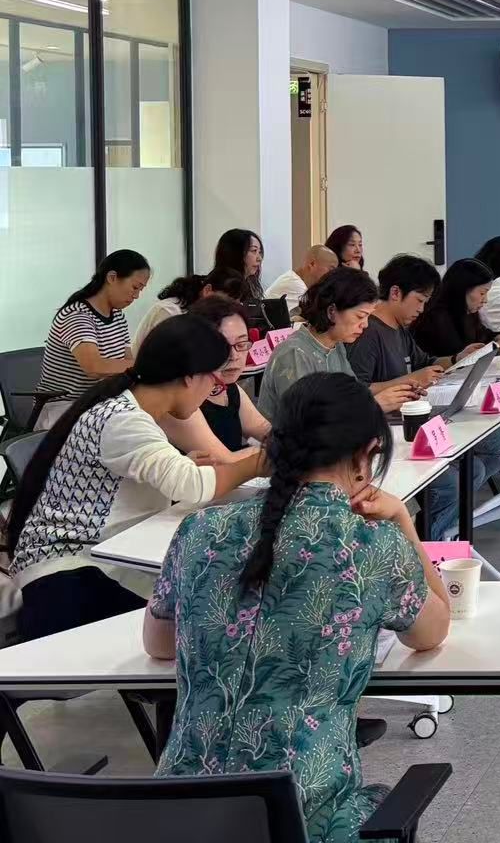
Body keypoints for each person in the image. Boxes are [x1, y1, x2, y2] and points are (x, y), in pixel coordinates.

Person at [145, 373, 451, 841]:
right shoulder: (372, 543)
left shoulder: (199, 529)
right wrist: (402, 520)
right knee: (380, 802)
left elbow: (158, 644)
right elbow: (433, 631)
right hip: (305, 817)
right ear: (367, 453)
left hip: (179, 816)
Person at [5, 315, 266, 641]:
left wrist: (183, 463)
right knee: (200, 620)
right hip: (68, 575)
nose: (211, 393)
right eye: (212, 382)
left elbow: (146, 476)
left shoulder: (133, 409)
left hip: (100, 560)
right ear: (189, 377)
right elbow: (193, 485)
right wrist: (260, 463)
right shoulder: (123, 419)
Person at [348, 255, 500, 542]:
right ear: (396, 293)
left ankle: (437, 534)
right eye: (419, 300)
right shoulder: (368, 334)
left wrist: (457, 358)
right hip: (387, 431)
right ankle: (423, 545)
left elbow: (426, 363)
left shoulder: (399, 330)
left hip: (412, 421)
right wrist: (409, 380)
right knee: (454, 481)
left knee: (475, 468)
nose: (421, 309)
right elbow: (357, 390)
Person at [413, 258, 500, 464]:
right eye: (482, 293)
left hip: (465, 392)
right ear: (463, 289)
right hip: (441, 396)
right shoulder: (436, 318)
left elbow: (484, 337)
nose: (485, 301)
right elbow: (456, 356)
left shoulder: (468, 313)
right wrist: (497, 347)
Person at [258, 268, 407, 417]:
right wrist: (372, 405)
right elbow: (306, 422)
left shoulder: (336, 346)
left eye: (368, 317)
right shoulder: (294, 353)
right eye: (360, 316)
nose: (365, 325)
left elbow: (352, 395)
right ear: (331, 311)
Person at [39, 249, 151, 401]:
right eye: (135, 287)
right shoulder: (77, 315)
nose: (137, 296)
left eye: (141, 290)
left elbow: (127, 363)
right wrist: (146, 366)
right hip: (67, 405)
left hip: (102, 401)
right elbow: (94, 367)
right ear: (112, 278)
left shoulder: (117, 316)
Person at [178, 294, 274, 458]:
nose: (234, 356)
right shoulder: (182, 397)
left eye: (241, 344)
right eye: (222, 345)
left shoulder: (228, 387)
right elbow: (223, 460)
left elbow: (263, 429)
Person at [263, 244, 339, 317]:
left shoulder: (294, 279)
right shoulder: (295, 286)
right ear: (312, 264)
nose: (332, 275)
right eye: (331, 269)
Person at [211, 227, 266, 300]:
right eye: (254, 250)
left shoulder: (246, 285)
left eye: (260, 252)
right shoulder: (223, 288)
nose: (259, 258)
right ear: (236, 254)